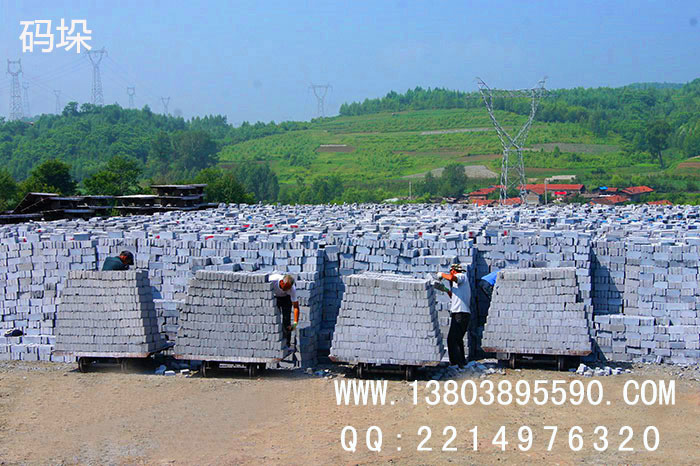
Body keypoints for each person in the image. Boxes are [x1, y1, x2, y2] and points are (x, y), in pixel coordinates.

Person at [439, 263, 473, 368]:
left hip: (460, 314)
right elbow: (454, 296)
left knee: (452, 339)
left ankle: (456, 364)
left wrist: (442, 274)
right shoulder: (458, 284)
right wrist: (445, 290)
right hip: (460, 314)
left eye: (451, 272)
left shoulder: (461, 276)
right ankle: (461, 362)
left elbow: (452, 277)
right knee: (457, 339)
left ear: (453, 271)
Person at [269, 273, 301, 348]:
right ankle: (274, 342)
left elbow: (296, 307)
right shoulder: (272, 280)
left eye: (288, 288)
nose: (287, 290)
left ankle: (287, 345)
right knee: (274, 319)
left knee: (286, 321)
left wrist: (295, 323)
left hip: (286, 299)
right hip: (275, 297)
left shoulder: (292, 289)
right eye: (286, 288)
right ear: (281, 282)